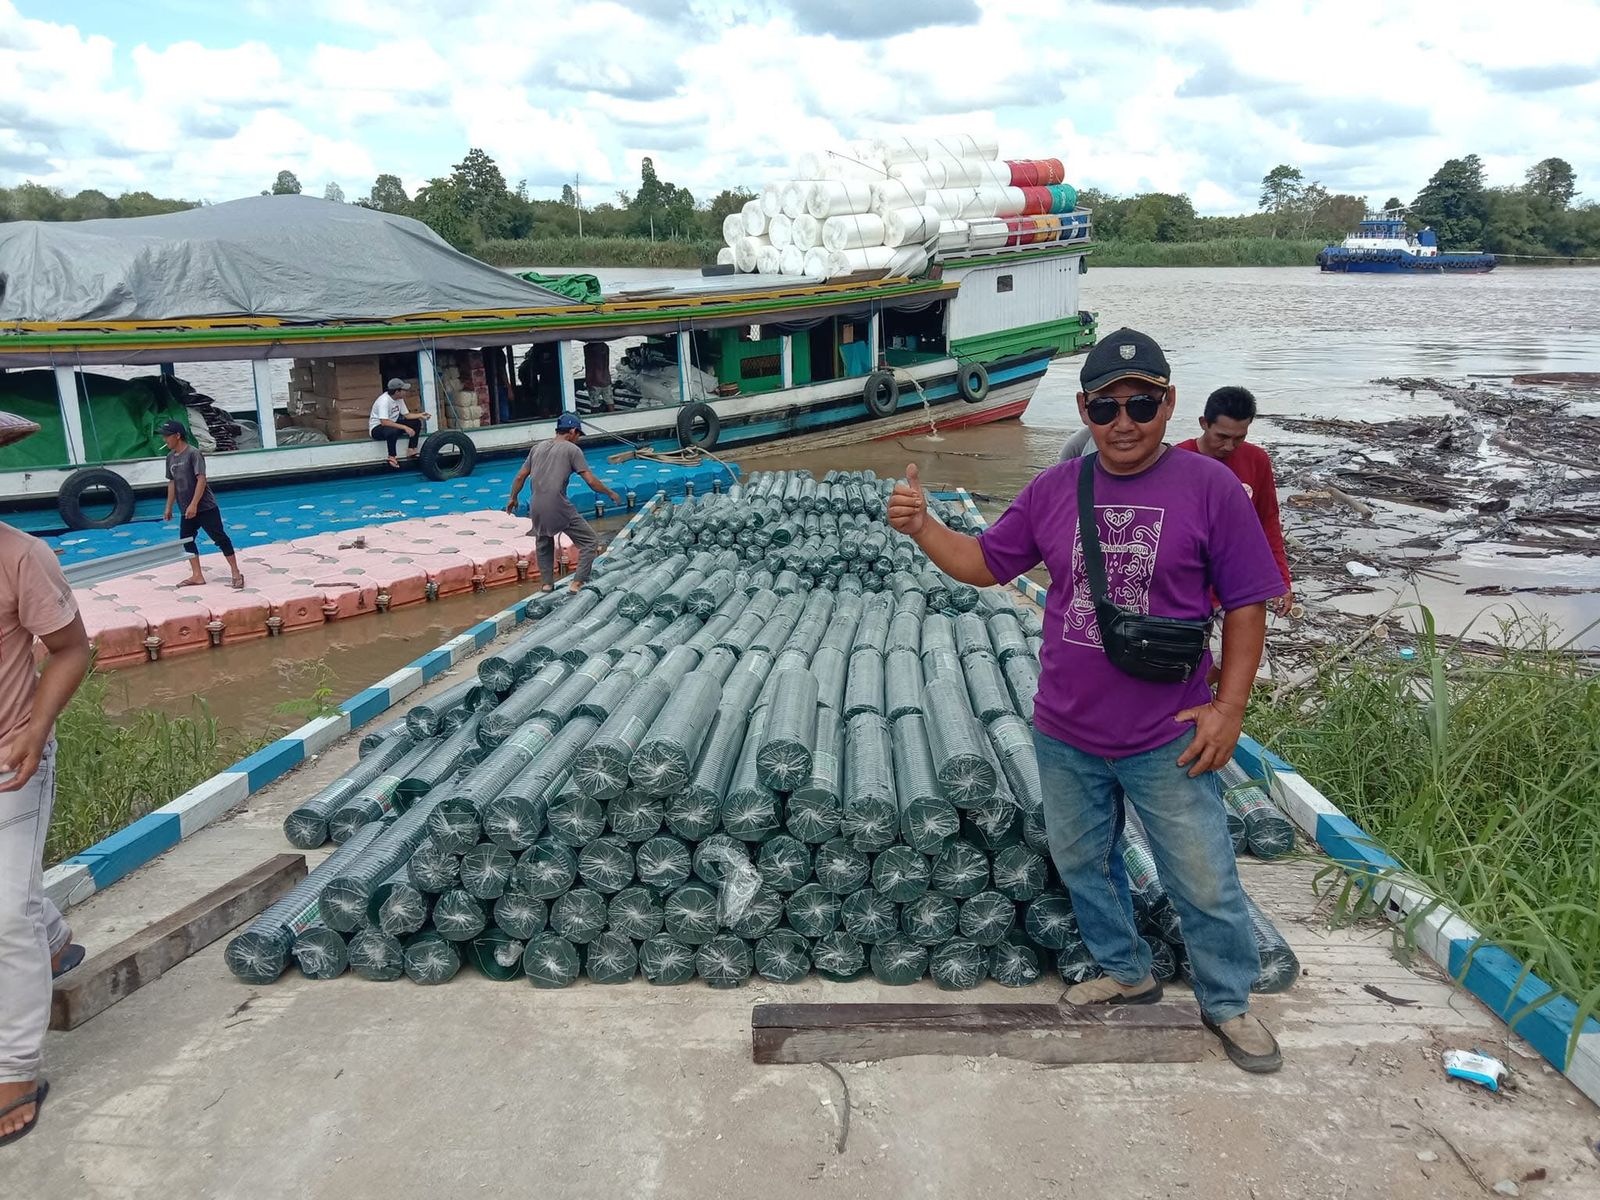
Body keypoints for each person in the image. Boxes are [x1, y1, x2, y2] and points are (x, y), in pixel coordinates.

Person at [887, 327, 1288, 1073]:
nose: (1123, 421)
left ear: (1169, 404)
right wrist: (923, 526)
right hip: (1065, 728)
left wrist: (1229, 708)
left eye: (1141, 404)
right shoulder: (1054, 488)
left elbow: (1246, 603)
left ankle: (1228, 1002)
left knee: (1202, 876)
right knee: (1083, 860)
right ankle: (1126, 969)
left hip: (1168, 731)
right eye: (1106, 407)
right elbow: (983, 563)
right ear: (1084, 411)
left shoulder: (1210, 489)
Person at [1, 418, 92, 1147]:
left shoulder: (20, 557)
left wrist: (36, 726)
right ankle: (55, 939)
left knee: (4, 916)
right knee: (18, 903)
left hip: (11, 756)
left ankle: (15, 1067)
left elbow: (70, 649)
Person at [1178, 387, 1294, 615]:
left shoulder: (1257, 460)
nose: (1229, 447)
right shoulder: (1178, 460)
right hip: (1188, 592)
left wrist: (1281, 579)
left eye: (1239, 438)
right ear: (1204, 423)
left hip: (1241, 588)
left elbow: (1267, 521)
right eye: (1221, 437)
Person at [504, 413, 622, 593]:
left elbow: (520, 476)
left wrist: (513, 497)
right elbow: (590, 481)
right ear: (573, 431)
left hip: (536, 505)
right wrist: (610, 492)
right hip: (558, 504)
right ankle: (577, 584)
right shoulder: (572, 450)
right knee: (590, 542)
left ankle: (546, 585)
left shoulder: (537, 448)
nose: (578, 439)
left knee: (544, 543)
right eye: (578, 435)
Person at [160, 420, 245, 590]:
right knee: (186, 540)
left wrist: (194, 504)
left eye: (167, 436)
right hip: (185, 509)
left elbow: (201, 479)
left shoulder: (193, 453)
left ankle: (236, 572)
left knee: (220, 538)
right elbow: (172, 482)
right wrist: (169, 506)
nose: (164, 439)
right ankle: (197, 575)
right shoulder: (170, 458)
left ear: (178, 436)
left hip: (205, 507)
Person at [368, 378, 429, 467]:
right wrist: (405, 427)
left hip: (392, 424)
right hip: (377, 428)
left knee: (416, 422)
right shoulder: (384, 401)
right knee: (393, 430)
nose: (406, 392)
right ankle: (392, 456)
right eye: (404, 390)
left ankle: (411, 449)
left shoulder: (399, 399)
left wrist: (420, 415)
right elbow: (384, 422)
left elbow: (407, 415)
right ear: (397, 391)